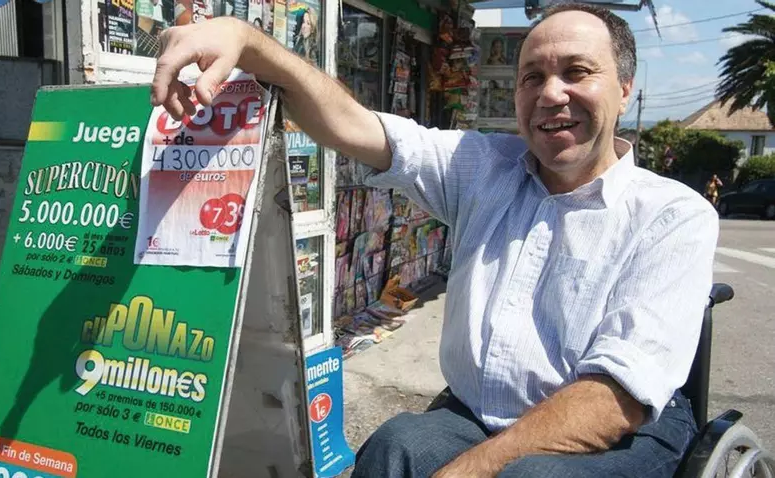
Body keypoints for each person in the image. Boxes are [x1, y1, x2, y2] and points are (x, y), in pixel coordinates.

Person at [150, 3, 719, 477]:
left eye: (577, 72)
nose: (551, 94)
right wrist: (248, 43)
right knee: (393, 447)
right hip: (479, 415)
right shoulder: (484, 167)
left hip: (619, 436)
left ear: (624, 88)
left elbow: (615, 399)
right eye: (532, 77)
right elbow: (355, 125)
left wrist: (469, 469)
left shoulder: (672, 216)